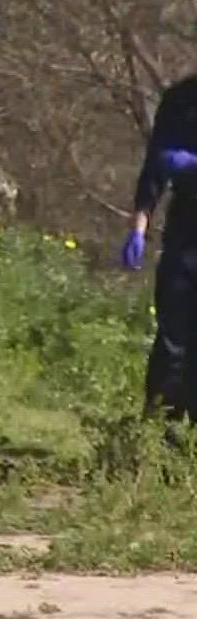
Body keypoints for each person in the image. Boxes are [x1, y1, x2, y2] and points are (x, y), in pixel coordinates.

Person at [120, 74, 197, 421]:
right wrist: (139, 226)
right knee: (173, 337)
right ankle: (156, 436)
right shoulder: (181, 98)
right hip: (186, 231)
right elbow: (155, 165)